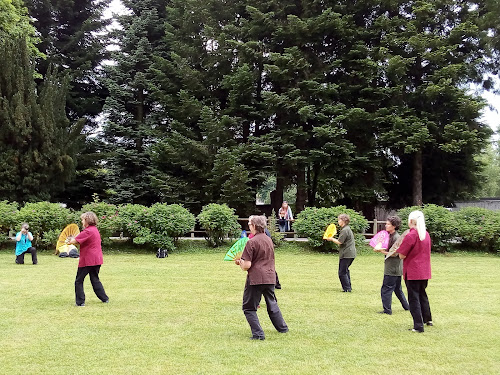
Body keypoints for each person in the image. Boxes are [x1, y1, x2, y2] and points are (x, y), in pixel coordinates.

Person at [235, 215, 288, 340]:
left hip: (256, 279)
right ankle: (283, 328)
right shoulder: (268, 239)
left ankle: (258, 334)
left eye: (249, 224)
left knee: (248, 308)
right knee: (272, 304)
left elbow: (247, 265)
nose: (248, 226)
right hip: (270, 276)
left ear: (254, 226)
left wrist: (240, 263)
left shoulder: (251, 242)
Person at [397, 210, 433, 332]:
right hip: (424, 271)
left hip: (413, 271)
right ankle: (427, 319)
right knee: (422, 294)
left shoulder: (411, 235)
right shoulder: (426, 234)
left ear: (411, 221)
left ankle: (418, 325)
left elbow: (401, 255)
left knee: (413, 298)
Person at [68, 212, 109, 307]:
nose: (82, 221)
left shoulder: (87, 231)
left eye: (82, 220)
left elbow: (75, 241)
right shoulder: (95, 230)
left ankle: (80, 302)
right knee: (95, 278)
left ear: (87, 220)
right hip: (97, 259)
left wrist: (69, 241)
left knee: (79, 280)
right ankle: (104, 298)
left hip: (88, 260)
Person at [374, 216, 409, 314]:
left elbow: (395, 253)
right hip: (396, 268)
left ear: (394, 226)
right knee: (397, 289)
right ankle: (407, 307)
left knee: (386, 289)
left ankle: (387, 310)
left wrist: (381, 251)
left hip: (393, 268)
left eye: (388, 224)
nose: (386, 225)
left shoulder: (396, 237)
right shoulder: (390, 236)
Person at [326, 214, 356, 292]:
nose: (338, 221)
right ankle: (348, 287)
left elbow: (340, 242)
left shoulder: (345, 230)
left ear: (343, 221)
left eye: (339, 220)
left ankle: (346, 288)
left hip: (346, 254)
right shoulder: (347, 229)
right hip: (350, 253)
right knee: (345, 270)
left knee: (342, 272)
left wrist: (331, 239)